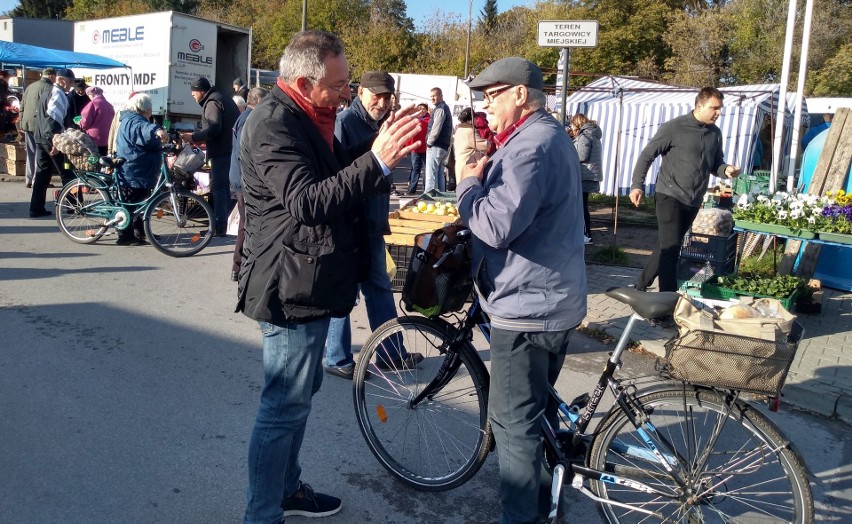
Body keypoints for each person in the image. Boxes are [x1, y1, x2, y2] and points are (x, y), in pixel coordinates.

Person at [235, 30, 421, 523]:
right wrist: (378, 158)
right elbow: (307, 201)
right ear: (304, 80)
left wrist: (381, 151)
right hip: (286, 283)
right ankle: (262, 512)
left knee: (299, 394)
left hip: (307, 279)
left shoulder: (310, 116)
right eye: (339, 84)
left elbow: (333, 174)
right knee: (283, 405)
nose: (345, 93)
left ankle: (287, 490)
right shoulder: (273, 122)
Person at [457, 56, 587, 524]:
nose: (485, 107)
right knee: (536, 415)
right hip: (551, 298)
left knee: (513, 427)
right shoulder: (545, 137)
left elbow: (494, 225)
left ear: (520, 95)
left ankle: (524, 515)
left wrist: (467, 182)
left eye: (493, 96)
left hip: (527, 309)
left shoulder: (531, 146)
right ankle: (545, 506)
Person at [322, 71, 423, 380]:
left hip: (373, 222)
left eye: (386, 96)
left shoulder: (376, 123)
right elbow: (340, 177)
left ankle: (392, 353)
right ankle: (336, 358)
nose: (381, 101)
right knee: (347, 289)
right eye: (376, 95)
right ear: (360, 92)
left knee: (379, 287)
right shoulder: (346, 123)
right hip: (353, 224)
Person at [630, 86, 741, 292]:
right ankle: (666, 302)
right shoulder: (674, 127)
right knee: (671, 249)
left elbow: (716, 163)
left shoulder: (715, 133)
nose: (718, 113)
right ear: (699, 105)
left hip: (693, 198)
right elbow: (647, 155)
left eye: (720, 108)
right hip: (669, 195)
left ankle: (640, 285)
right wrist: (637, 185)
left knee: (669, 244)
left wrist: (727, 171)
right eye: (714, 108)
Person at [180, 76, 240, 236]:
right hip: (229, 149)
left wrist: (194, 137)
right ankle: (222, 224)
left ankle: (219, 226)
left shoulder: (213, 102)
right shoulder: (220, 98)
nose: (193, 96)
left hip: (223, 151)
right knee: (224, 189)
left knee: (219, 188)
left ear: (200, 91)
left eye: (193, 93)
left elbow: (214, 129)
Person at [114, 93, 169, 246]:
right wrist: (157, 131)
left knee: (140, 203)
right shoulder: (134, 121)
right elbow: (145, 129)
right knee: (130, 203)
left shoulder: (132, 119)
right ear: (144, 108)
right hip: (134, 169)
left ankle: (139, 230)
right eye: (150, 107)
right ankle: (124, 236)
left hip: (139, 169)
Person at [228, 86, 268, 282]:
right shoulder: (250, 119)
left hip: (240, 178)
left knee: (247, 222)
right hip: (244, 180)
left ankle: (240, 266)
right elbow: (245, 154)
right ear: (259, 102)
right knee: (247, 223)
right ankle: (240, 266)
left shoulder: (244, 117)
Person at [29, 68, 74, 218]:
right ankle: (72, 207)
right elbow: (52, 119)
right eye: (70, 82)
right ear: (61, 80)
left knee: (42, 173)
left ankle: (36, 208)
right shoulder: (58, 94)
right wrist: (55, 142)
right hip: (51, 139)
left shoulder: (47, 92)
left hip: (40, 137)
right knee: (67, 172)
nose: (72, 85)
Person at [19, 68, 56, 189]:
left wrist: (21, 122)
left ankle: (28, 179)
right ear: (51, 76)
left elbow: (22, 105)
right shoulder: (48, 88)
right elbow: (48, 109)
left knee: (30, 152)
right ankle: (36, 180)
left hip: (27, 123)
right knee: (40, 153)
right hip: (39, 125)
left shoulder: (30, 86)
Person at [570, 113, 603, 245]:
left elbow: (581, 155)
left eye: (572, 124)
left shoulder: (584, 136)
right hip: (590, 175)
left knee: (581, 206)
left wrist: (569, 153)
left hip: (584, 175)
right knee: (583, 205)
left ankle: (585, 235)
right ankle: (586, 233)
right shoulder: (592, 133)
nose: (571, 127)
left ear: (577, 123)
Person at [424, 86, 452, 192]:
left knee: (431, 174)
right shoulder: (445, 108)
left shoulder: (440, 109)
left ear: (441, 95)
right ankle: (441, 198)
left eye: (435, 96)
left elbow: (436, 128)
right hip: (444, 145)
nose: (432, 98)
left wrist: (429, 143)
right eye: (431, 96)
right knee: (439, 174)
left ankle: (429, 198)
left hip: (436, 145)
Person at [452, 107, 489, 184]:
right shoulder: (469, 131)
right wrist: (489, 142)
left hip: (460, 164)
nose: (476, 120)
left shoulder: (459, 130)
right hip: (469, 165)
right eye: (475, 118)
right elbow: (484, 145)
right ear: (470, 120)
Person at [79, 86, 116, 156]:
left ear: (92, 95)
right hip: (107, 138)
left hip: (94, 139)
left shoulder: (92, 104)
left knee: (94, 162)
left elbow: (85, 122)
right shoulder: (109, 105)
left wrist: (79, 123)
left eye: (89, 95)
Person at [407, 103, 428, 195]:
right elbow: (409, 134)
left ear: (427, 110)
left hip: (426, 149)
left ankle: (425, 190)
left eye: (423, 108)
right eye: (419, 108)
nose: (421, 110)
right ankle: (412, 189)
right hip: (415, 148)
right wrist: (407, 148)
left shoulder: (430, 120)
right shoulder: (414, 120)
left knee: (426, 170)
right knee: (415, 169)